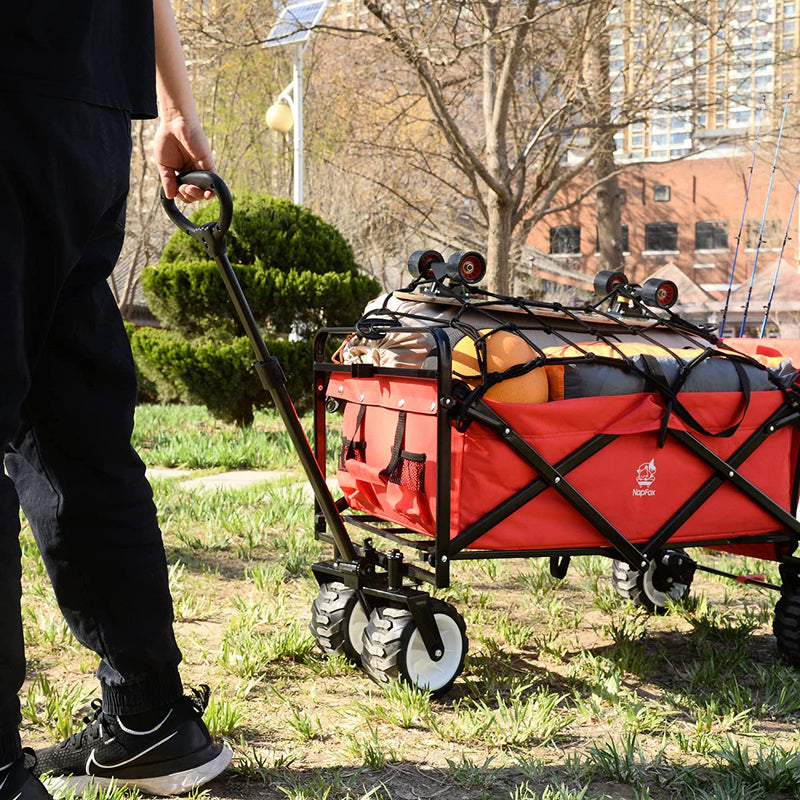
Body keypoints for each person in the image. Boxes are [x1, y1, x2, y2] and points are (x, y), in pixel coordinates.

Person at [0, 1, 231, 798]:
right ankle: (150, 717)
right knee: (74, 428)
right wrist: (176, 106)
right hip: (88, 107)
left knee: (72, 429)